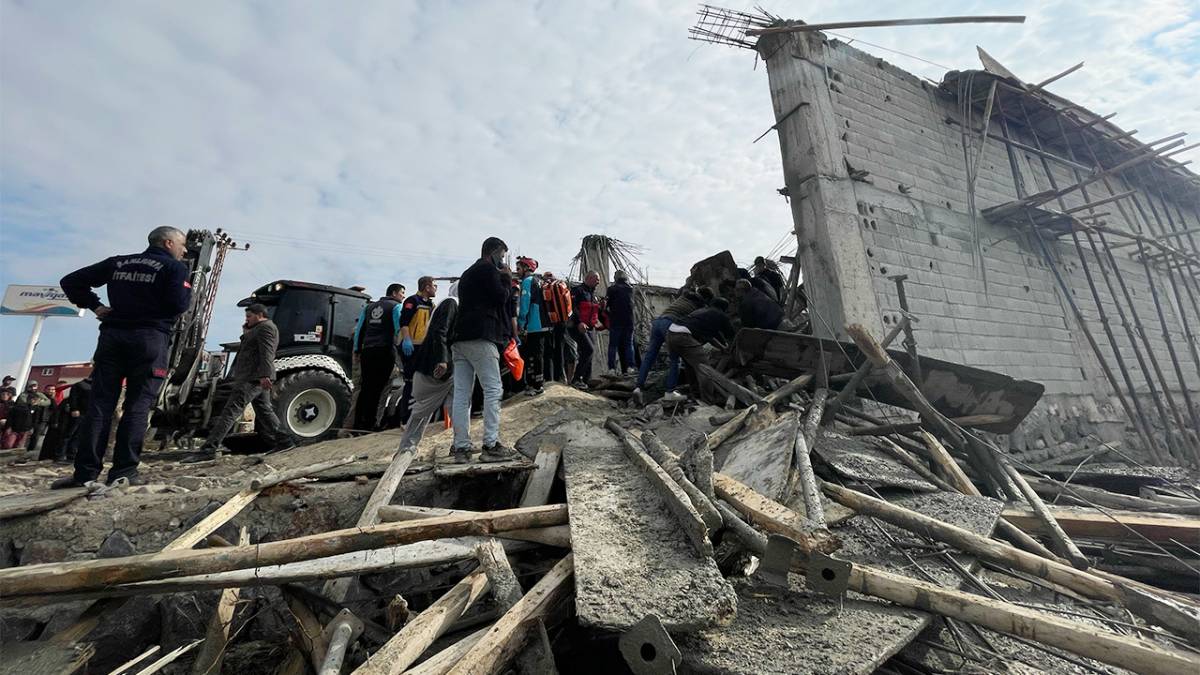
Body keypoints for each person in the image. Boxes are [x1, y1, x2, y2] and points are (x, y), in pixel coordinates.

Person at [51, 226, 192, 488]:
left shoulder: (118, 262)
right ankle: (123, 472)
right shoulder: (175, 269)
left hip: (113, 337)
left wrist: (96, 305)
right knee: (137, 406)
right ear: (168, 243)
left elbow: (70, 281)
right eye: (182, 245)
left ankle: (84, 474)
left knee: (100, 405)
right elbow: (179, 305)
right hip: (150, 338)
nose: (184, 251)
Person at [183, 304, 293, 462]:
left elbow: (267, 352)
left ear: (260, 314)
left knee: (230, 412)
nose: (246, 319)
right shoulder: (257, 328)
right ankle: (285, 441)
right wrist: (246, 332)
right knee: (264, 411)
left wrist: (265, 375)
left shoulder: (266, 328)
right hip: (254, 377)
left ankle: (208, 449)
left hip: (253, 378)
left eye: (249, 316)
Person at [449, 237, 519, 463]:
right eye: (502, 255)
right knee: (493, 388)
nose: (503, 260)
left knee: (461, 394)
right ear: (495, 252)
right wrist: (507, 280)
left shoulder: (468, 273)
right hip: (482, 335)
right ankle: (490, 445)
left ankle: (461, 448)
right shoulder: (488, 270)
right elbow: (501, 298)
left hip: (460, 338)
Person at [397, 282, 459, 454]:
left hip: (444, 364)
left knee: (457, 404)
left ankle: (461, 444)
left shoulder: (437, 304)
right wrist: (442, 360)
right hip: (432, 363)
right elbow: (440, 331)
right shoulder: (451, 302)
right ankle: (406, 449)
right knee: (422, 409)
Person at [633, 286, 707, 401]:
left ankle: (638, 388)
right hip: (670, 325)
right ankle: (670, 392)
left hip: (658, 321)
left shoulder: (684, 297)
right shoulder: (700, 305)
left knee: (649, 357)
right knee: (675, 360)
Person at [351, 283, 405, 433]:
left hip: (367, 351)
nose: (403, 296)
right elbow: (398, 330)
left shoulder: (368, 308)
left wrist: (357, 349)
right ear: (394, 293)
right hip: (385, 351)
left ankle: (358, 424)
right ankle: (372, 424)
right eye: (402, 293)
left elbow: (360, 329)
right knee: (380, 388)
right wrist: (402, 352)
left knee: (366, 387)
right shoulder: (396, 307)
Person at [664, 298, 737, 403]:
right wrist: (731, 348)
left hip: (670, 334)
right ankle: (708, 400)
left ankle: (696, 395)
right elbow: (731, 335)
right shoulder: (720, 315)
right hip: (683, 336)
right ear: (724, 308)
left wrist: (722, 348)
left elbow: (710, 337)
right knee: (704, 368)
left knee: (691, 367)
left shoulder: (702, 312)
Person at [397, 277, 438, 424]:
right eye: (434, 286)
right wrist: (407, 340)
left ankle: (419, 417)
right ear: (427, 287)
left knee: (423, 382)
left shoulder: (431, 305)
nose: (436, 288)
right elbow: (404, 322)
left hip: (423, 347)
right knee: (410, 382)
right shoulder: (412, 301)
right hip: (411, 347)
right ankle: (406, 419)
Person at [515, 257, 550, 395]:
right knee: (537, 354)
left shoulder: (528, 281)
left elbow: (524, 305)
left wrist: (521, 323)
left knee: (533, 355)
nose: (517, 272)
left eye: (519, 269)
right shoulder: (538, 281)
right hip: (543, 324)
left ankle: (536, 386)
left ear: (526, 268)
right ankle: (536, 384)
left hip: (534, 325)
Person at [570, 271, 601, 389]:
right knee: (589, 349)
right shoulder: (578, 290)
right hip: (577, 326)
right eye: (596, 279)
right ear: (588, 278)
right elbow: (572, 308)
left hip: (590, 327)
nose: (598, 282)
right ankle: (576, 379)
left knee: (589, 353)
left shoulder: (593, 294)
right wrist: (579, 322)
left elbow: (594, 311)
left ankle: (586, 381)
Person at [605, 270, 636, 375]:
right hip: (629, 321)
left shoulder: (612, 289)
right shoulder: (631, 289)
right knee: (629, 344)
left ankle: (612, 369)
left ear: (615, 278)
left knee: (613, 345)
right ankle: (630, 367)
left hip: (616, 321)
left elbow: (606, 306)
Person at [4, 382, 49, 450]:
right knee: (8, 445)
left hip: (26, 429)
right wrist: (9, 427)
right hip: (15, 428)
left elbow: (48, 402)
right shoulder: (22, 399)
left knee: (19, 446)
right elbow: (11, 416)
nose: (33, 388)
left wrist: (32, 428)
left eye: (35, 386)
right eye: (31, 386)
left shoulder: (37, 404)